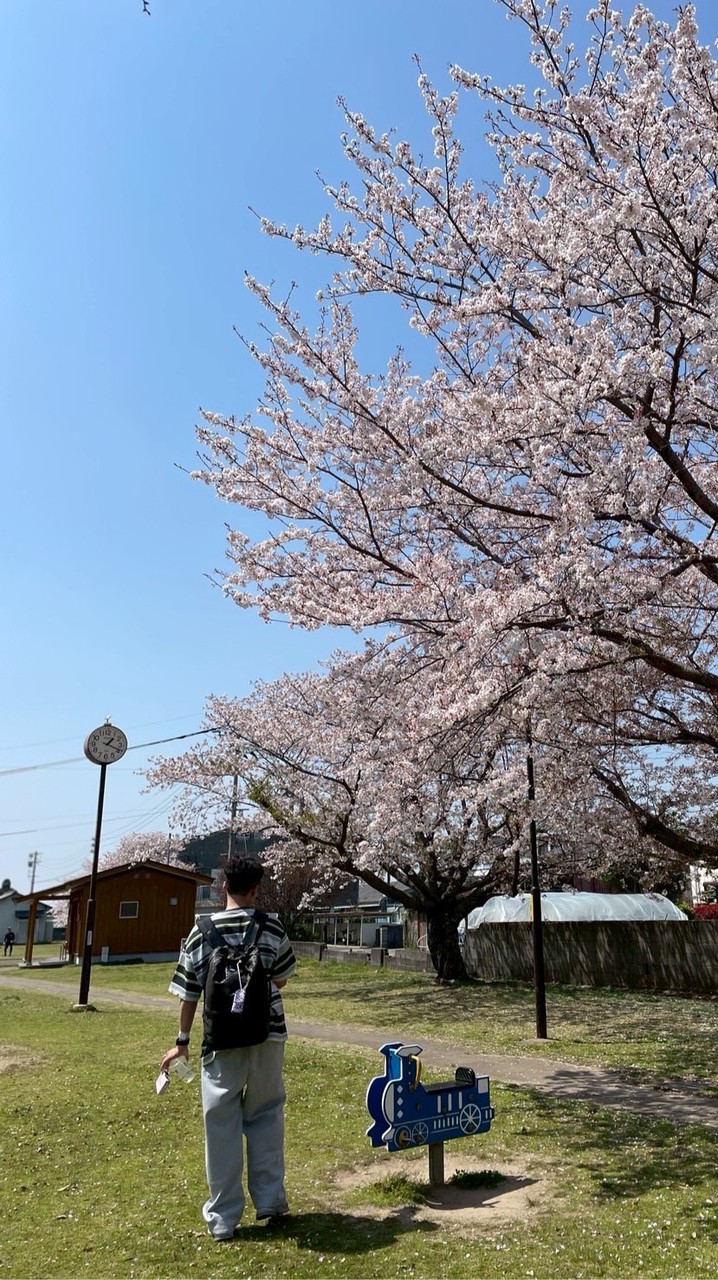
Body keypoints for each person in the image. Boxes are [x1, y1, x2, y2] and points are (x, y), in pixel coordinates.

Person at [160, 856, 297, 1241]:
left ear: (223, 886)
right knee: (266, 1114)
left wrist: (182, 1042)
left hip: (221, 1038)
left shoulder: (200, 931)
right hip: (267, 1034)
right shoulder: (270, 926)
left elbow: (188, 993)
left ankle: (223, 1219)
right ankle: (270, 1201)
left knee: (221, 1123)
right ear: (255, 889)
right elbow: (282, 979)